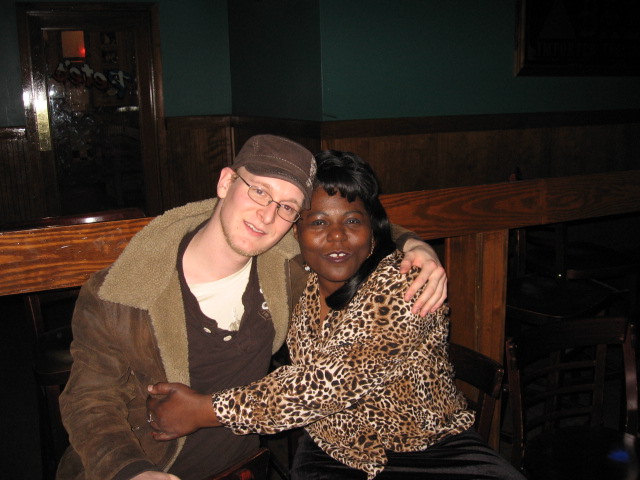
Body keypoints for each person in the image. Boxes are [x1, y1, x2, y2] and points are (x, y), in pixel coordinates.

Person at [57, 135, 447, 480]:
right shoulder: (120, 294)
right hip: (146, 463)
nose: (267, 215)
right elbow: (88, 400)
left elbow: (348, 225)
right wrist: (131, 470)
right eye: (259, 191)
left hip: (245, 465)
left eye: (287, 206)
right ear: (226, 182)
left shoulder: (287, 263)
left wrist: (414, 245)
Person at [147, 150, 525, 479]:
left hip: (428, 449)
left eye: (353, 221)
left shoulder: (406, 284)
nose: (338, 236)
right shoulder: (297, 275)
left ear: (371, 227)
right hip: (334, 448)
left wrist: (203, 410)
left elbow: (324, 385)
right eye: (318, 222)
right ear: (294, 231)